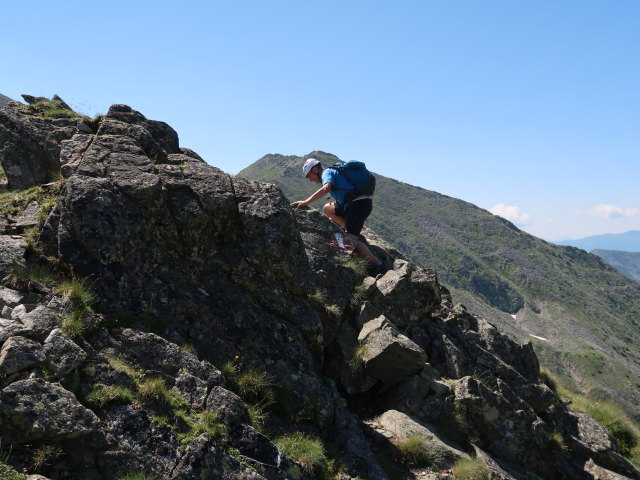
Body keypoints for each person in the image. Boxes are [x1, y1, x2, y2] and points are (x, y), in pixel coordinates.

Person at [291, 158, 386, 274]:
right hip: (354, 204)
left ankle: (378, 264)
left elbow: (326, 188)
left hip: (357, 206)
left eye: (309, 176)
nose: (311, 180)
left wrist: (306, 202)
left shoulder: (326, 173)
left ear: (315, 169)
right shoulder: (334, 171)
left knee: (348, 241)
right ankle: (349, 229)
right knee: (327, 208)